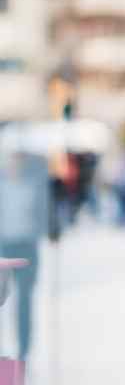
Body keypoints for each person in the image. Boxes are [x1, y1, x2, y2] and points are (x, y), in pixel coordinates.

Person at [0, 152, 49, 360]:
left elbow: (43, 215)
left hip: (27, 246)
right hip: (5, 246)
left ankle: (24, 348)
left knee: (25, 300)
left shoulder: (34, 187)